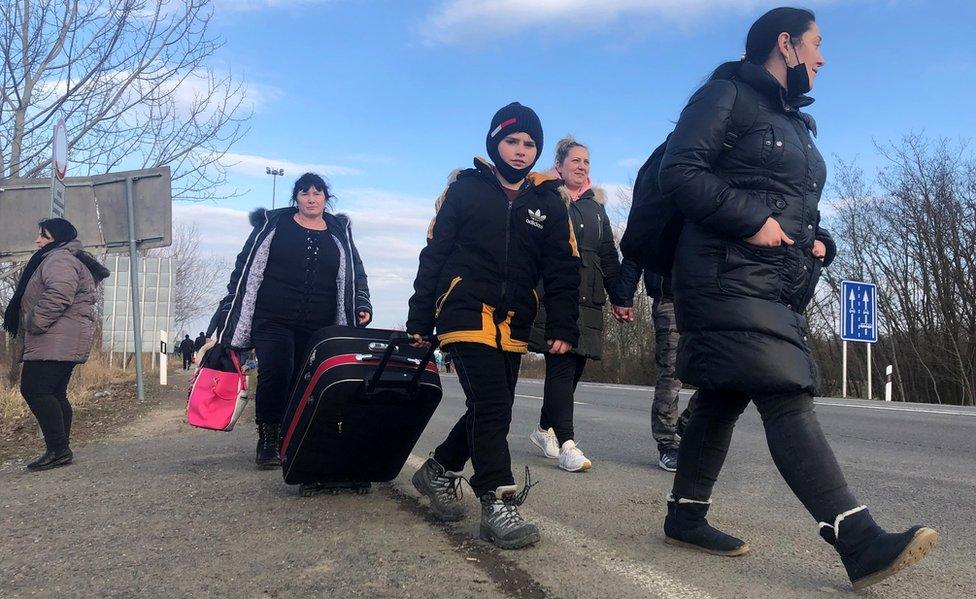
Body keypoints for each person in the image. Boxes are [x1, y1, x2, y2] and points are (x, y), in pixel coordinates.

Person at [657, 7, 937, 591]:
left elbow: (790, 200)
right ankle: (857, 540)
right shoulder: (724, 95)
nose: (823, 57)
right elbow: (679, 172)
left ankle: (685, 516)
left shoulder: (793, 121)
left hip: (769, 276)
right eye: (816, 44)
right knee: (784, 391)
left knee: (722, 396)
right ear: (785, 45)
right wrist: (752, 218)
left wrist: (816, 240)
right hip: (722, 271)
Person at [407, 102, 580, 550]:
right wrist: (420, 315)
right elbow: (435, 253)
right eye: (512, 141)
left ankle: (439, 470)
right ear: (494, 142)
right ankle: (497, 500)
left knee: (489, 405)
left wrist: (563, 324)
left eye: (529, 144)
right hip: (463, 310)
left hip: (514, 320)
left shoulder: (548, 200)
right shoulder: (465, 190)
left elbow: (563, 268)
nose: (520, 151)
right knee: (494, 405)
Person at [207, 172, 372, 469]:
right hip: (272, 318)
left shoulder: (338, 230)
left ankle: (293, 434)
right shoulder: (274, 224)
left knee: (305, 378)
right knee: (277, 371)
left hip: (320, 323)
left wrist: (361, 302)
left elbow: (356, 271)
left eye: (317, 193)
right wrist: (231, 302)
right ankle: (268, 440)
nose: (311, 198)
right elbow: (244, 268)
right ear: (295, 197)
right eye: (304, 193)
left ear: (326, 198)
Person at [526, 136, 629, 473]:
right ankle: (568, 443)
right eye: (576, 161)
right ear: (560, 166)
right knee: (562, 364)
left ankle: (544, 430)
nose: (582, 167)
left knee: (573, 371)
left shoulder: (595, 209)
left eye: (586, 162)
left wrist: (620, 298)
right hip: (556, 296)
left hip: (590, 299)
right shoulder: (545, 200)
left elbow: (608, 258)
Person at [2, 218, 109, 471]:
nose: (38, 240)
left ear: (58, 239)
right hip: (62, 338)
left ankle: (58, 449)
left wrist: (33, 322)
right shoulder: (62, 257)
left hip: (56, 337)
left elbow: (59, 295)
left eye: (44, 236)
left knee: (35, 390)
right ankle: (60, 449)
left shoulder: (59, 259)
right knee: (54, 392)